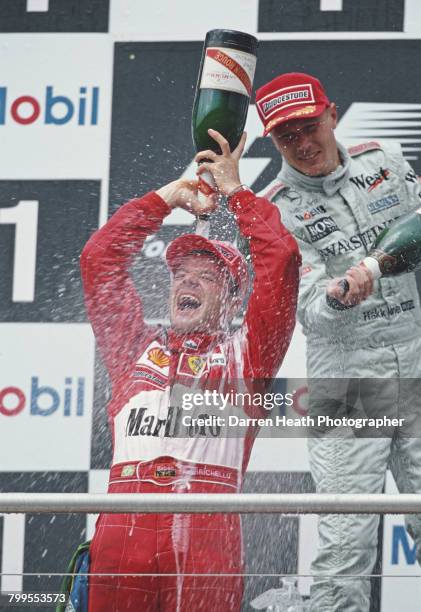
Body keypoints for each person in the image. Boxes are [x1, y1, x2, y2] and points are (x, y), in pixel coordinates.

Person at [80, 128, 300, 612]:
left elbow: (281, 261)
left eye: (207, 277)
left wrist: (237, 193)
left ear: (230, 299)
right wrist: (166, 199)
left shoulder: (249, 356)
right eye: (181, 274)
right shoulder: (132, 348)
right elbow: (99, 261)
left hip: (207, 532)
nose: (188, 281)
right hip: (123, 529)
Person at [255, 71, 421, 611]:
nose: (302, 144)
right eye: (286, 138)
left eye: (309, 127)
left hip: (416, 361)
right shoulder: (273, 208)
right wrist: (337, 297)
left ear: (331, 115)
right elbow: (309, 315)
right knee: (346, 545)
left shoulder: (385, 163)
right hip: (348, 384)